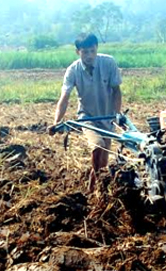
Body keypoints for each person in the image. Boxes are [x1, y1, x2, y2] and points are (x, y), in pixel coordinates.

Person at [49, 33, 122, 192]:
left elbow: (116, 91)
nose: (89, 56)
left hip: (107, 117)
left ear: (97, 49)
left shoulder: (108, 63)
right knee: (97, 146)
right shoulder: (73, 70)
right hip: (87, 117)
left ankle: (98, 187)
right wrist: (56, 122)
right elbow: (65, 98)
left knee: (103, 162)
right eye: (85, 52)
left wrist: (117, 115)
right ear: (78, 52)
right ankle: (91, 189)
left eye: (92, 51)